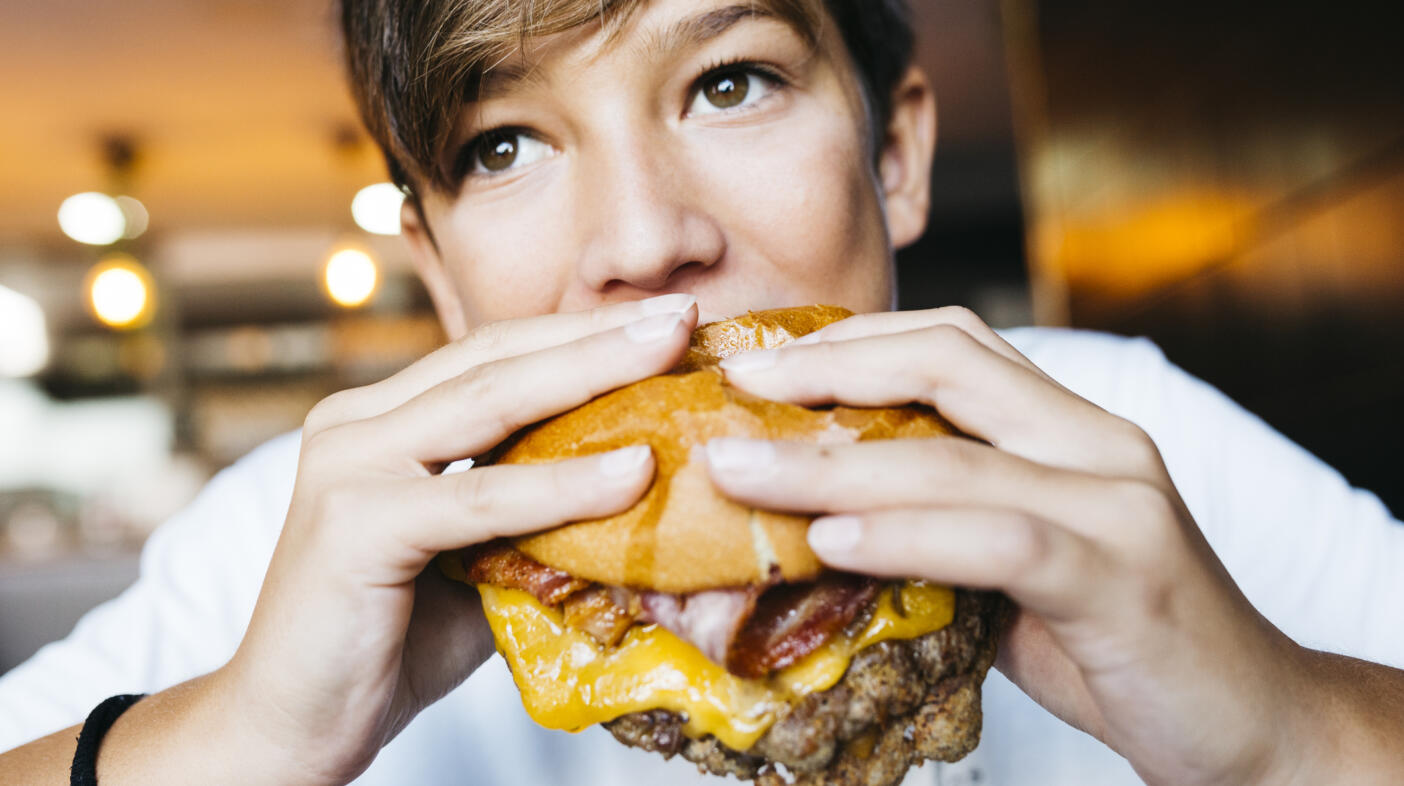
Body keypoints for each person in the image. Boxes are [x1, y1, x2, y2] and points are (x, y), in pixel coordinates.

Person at [2, 0, 1402, 783]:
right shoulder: (289, 546)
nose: (642, 240)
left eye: (731, 81)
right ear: (432, 269)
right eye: (502, 147)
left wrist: (1288, 731)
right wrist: (241, 737)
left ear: (894, 157)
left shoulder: (1121, 443)